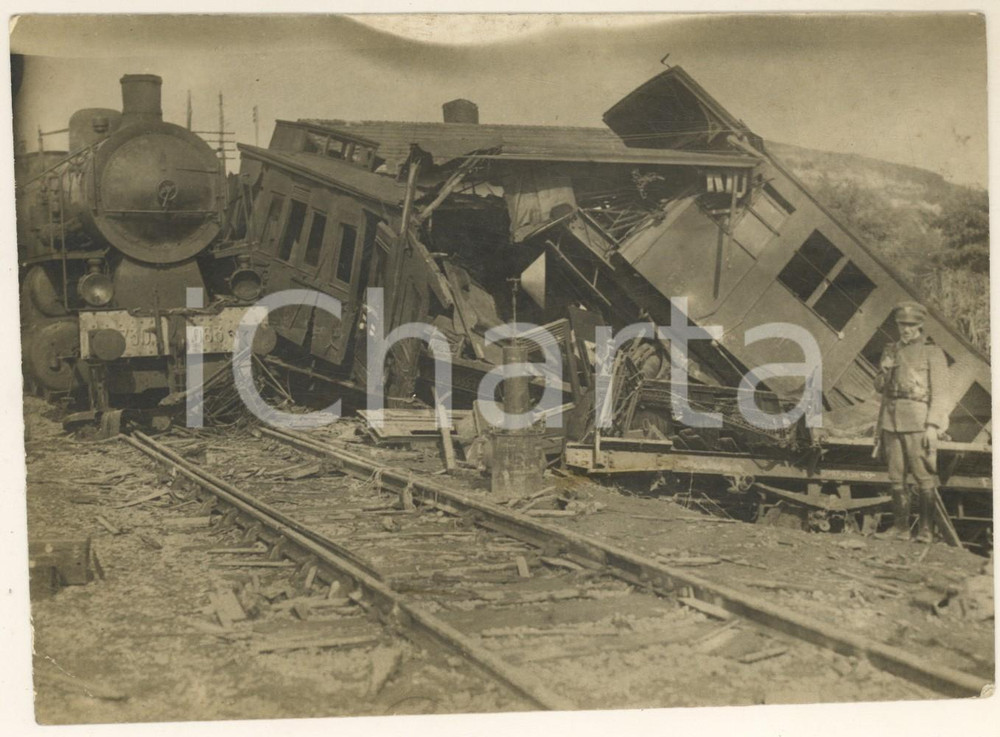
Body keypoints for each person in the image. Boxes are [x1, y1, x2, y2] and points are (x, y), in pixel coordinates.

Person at [874, 301, 949, 543]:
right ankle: (901, 528)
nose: (905, 329)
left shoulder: (933, 353)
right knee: (896, 476)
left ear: (919, 325)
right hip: (890, 421)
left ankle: (926, 531)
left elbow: (941, 393)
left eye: (910, 325)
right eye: (901, 324)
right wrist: (884, 371)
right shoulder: (890, 350)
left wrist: (933, 426)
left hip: (918, 422)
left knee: (923, 476)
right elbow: (879, 388)